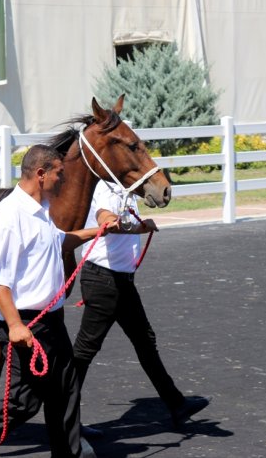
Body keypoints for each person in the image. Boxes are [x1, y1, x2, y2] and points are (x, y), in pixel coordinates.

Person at [0, 145, 115, 458]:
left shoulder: (40, 208)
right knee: (22, 402)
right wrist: (15, 325)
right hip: (26, 323)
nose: (62, 180)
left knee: (66, 384)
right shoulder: (8, 217)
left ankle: (69, 452)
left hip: (50, 320)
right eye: (58, 174)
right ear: (40, 174)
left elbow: (58, 240)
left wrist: (98, 231)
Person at [73, 181, 210, 433]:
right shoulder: (106, 187)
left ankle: (176, 404)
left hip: (118, 280)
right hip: (105, 280)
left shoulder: (122, 188)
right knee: (85, 350)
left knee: (144, 341)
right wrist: (140, 227)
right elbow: (105, 218)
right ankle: (64, 418)